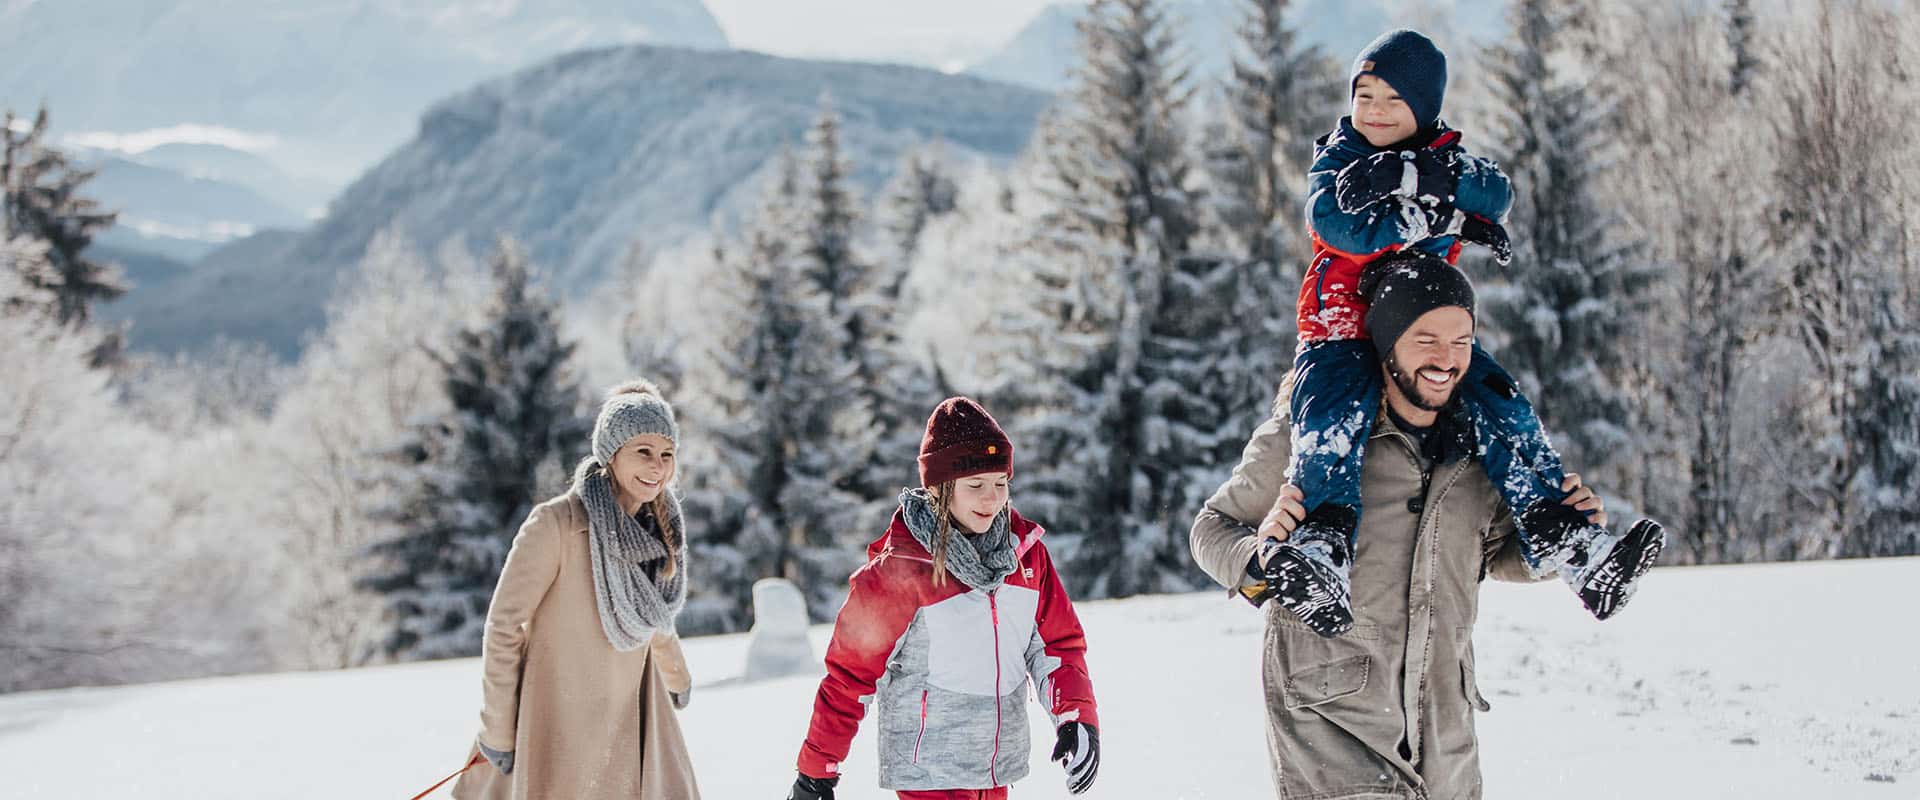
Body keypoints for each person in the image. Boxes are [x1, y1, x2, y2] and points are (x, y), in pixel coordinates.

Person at [1193, 252, 1634, 799]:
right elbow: (1211, 528)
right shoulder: (1310, 439)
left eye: (1461, 341)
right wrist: (1263, 563)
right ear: (1387, 340)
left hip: (1444, 735)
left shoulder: (1482, 451)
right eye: (1426, 338)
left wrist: (1559, 544)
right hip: (1333, 724)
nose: (1446, 359)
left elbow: (1497, 555)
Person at [1270, 28, 1663, 636]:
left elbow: (1497, 194)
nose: (1372, 112)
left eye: (1392, 101)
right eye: (1364, 96)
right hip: (1340, 327)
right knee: (1333, 417)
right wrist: (1440, 211)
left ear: (1424, 111)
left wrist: (1410, 175)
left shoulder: (1444, 157)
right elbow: (1341, 226)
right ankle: (1323, 545)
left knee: (1500, 401)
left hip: (1430, 332)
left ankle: (1571, 542)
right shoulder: (1338, 157)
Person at [788, 397, 1100, 800]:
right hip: (929, 776)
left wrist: (1076, 715)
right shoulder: (900, 569)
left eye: (1000, 484)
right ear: (939, 487)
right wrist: (817, 771)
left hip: (995, 771)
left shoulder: (1025, 557)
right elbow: (850, 677)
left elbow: (1057, 646)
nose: (991, 499)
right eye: (975, 486)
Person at [453, 380, 700, 799]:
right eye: (643, 451)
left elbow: (650, 615)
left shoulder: (655, 531)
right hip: (557, 721)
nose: (657, 467)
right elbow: (504, 626)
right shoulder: (557, 524)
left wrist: (676, 675)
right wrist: (497, 728)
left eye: (667, 454)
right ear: (611, 454)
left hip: (628, 716)